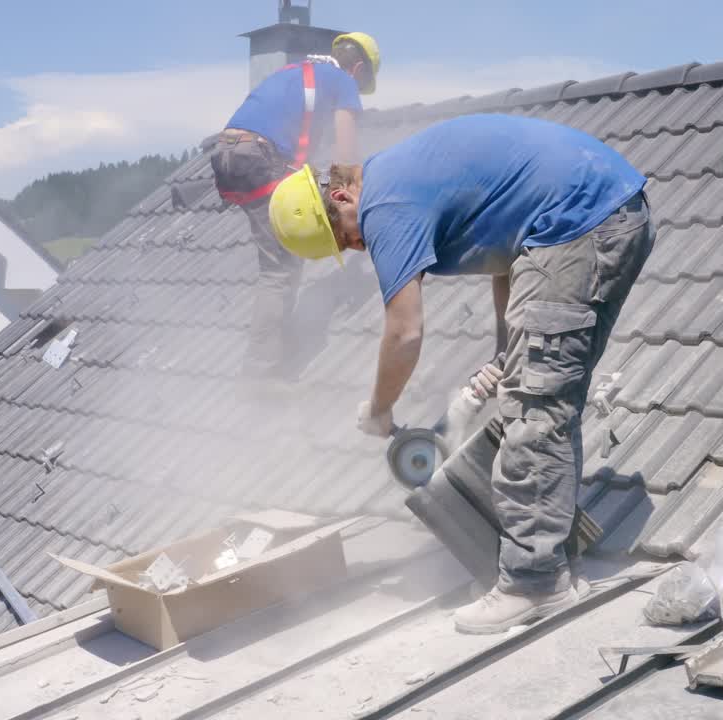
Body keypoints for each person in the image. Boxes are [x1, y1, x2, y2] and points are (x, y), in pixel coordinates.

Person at [267, 114, 654, 633]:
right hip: (586, 217)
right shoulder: (397, 178)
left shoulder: (384, 204)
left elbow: (404, 333)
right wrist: (505, 353)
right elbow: (509, 259)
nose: (356, 249)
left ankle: (535, 582)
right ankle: (549, 555)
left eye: (345, 239)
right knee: (537, 391)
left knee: (536, 406)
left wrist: (381, 410)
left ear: (338, 199)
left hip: (581, 223)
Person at [211, 32, 380, 382]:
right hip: (257, 155)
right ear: (358, 68)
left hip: (226, 153)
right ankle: (262, 376)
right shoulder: (342, 81)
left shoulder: (297, 72)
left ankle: (276, 342)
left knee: (280, 254)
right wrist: (352, 210)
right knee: (280, 269)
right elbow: (346, 154)